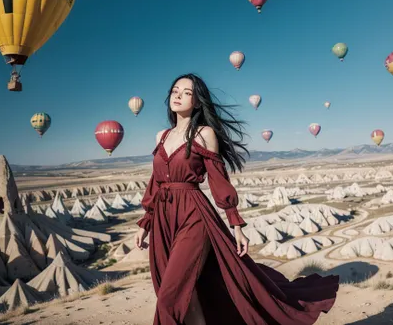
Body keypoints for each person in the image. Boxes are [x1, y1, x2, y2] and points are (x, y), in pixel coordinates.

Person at [135, 74, 339, 325]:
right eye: (175, 90)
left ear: (198, 102)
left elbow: (219, 181)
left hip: (194, 216)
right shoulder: (161, 136)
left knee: (169, 298)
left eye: (187, 92)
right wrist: (146, 221)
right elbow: (155, 182)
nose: (178, 95)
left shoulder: (204, 134)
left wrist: (236, 225)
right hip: (163, 222)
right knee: (188, 297)